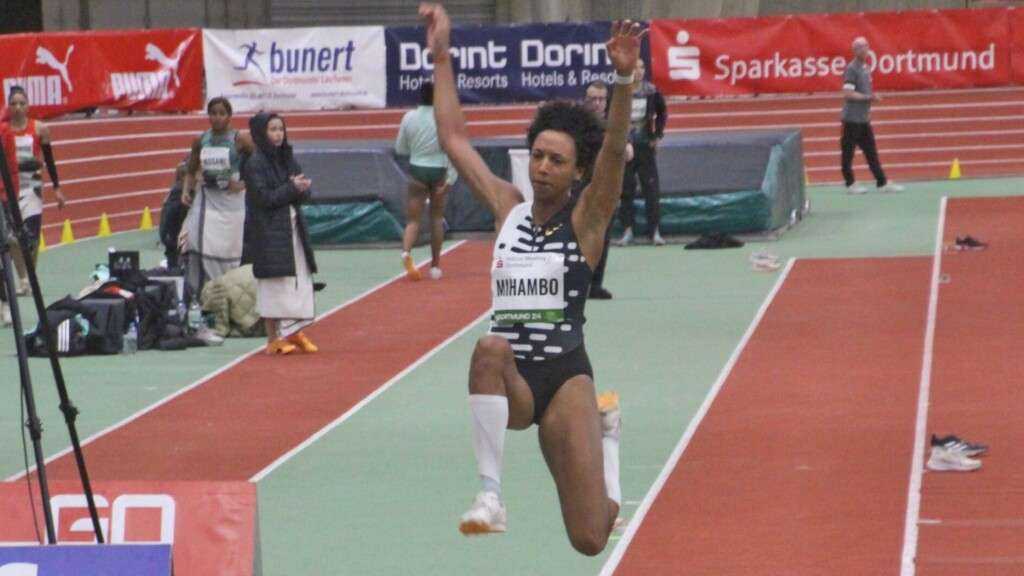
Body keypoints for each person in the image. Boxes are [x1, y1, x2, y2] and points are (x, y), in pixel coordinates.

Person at [422, 3, 640, 555]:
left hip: (565, 377)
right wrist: (442, 54)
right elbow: (453, 138)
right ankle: (490, 495)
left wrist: (621, 79)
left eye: (557, 161)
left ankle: (606, 439)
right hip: (514, 377)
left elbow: (614, 149)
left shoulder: (587, 220)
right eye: (538, 155)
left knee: (590, 537)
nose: (543, 167)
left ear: (577, 172)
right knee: (488, 346)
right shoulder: (508, 208)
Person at [241, 112, 319, 356]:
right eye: (272, 129)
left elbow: (298, 193)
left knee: (299, 281)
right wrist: (291, 188)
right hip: (269, 233)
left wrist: (303, 189)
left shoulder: (287, 157)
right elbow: (264, 198)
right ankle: (273, 338)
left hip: (293, 229)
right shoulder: (254, 163)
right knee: (274, 284)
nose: (278, 134)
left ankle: (294, 331)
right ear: (262, 133)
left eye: (280, 129)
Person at [181, 97, 250, 296]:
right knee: (196, 243)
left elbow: (259, 164)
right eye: (213, 113)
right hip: (206, 200)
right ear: (208, 115)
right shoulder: (200, 140)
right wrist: (187, 190)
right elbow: (191, 169)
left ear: (229, 116)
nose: (217, 118)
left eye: (222, 113)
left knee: (225, 250)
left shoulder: (240, 139)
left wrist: (243, 184)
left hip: (231, 204)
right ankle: (199, 294)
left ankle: (227, 292)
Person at [3, 86, 64, 296]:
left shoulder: (39, 129)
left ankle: (30, 274)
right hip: (10, 190)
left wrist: (57, 188)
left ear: (28, 106)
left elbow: (49, 159)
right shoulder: (4, 131)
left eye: (22, 103)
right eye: (14, 103)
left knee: (32, 239)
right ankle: (23, 279)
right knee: (13, 238)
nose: (18, 107)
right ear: (8, 106)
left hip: (33, 189)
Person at [395, 81, 455, 281]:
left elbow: (400, 148)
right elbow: (453, 148)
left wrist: (417, 149)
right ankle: (435, 266)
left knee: (413, 220)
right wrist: (451, 179)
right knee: (436, 219)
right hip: (439, 170)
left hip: (417, 170)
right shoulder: (443, 119)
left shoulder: (409, 118)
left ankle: (406, 253)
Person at [841, 37, 904, 194]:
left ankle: (881, 182)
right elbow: (848, 93)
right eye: (860, 47)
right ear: (854, 51)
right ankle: (850, 183)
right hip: (851, 119)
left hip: (863, 119)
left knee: (871, 152)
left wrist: (869, 99)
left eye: (865, 46)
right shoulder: (852, 69)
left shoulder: (866, 68)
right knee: (848, 152)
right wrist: (868, 97)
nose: (863, 50)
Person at [617, 59, 667, 247]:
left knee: (651, 190)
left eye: (642, 67)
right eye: (635, 67)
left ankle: (655, 231)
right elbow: (611, 116)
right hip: (626, 149)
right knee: (626, 190)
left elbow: (662, 113)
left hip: (645, 146)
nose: (639, 71)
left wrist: (657, 135)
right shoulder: (621, 91)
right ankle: (627, 230)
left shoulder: (651, 91)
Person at [580, 80, 619, 300]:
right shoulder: (577, 125)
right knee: (577, 237)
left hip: (606, 190)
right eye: (592, 99)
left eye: (601, 99)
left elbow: (626, 148)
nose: (597, 103)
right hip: (581, 189)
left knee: (602, 237)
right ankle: (577, 283)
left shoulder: (615, 124)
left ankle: (595, 284)